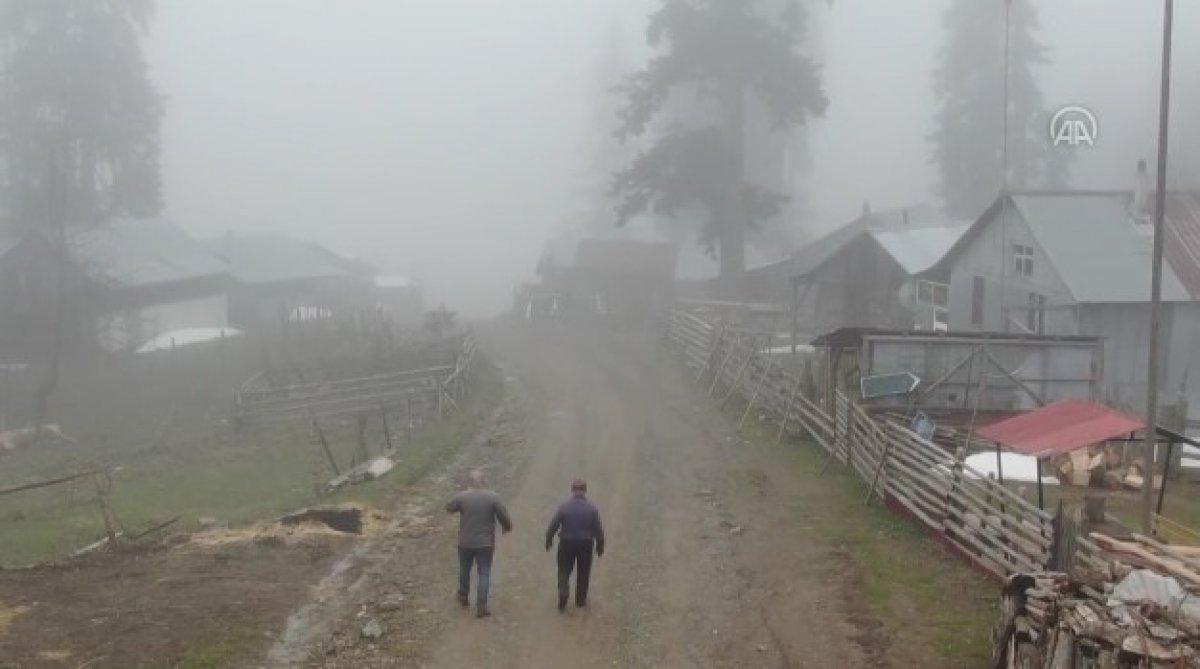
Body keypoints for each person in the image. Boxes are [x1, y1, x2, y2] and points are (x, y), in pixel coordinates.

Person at [445, 469, 512, 618]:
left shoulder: (462, 496)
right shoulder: (493, 497)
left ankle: (463, 596)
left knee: (464, 570)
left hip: (465, 542)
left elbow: (449, 507)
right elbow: (503, 515)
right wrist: (507, 527)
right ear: (484, 481)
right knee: (484, 572)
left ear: (469, 482)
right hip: (485, 543)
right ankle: (481, 605)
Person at [545, 478, 605, 611]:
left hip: (566, 543)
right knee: (583, 572)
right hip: (586, 544)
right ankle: (580, 600)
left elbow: (553, 525)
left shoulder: (564, 507)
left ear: (572, 490)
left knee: (564, 570)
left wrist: (549, 539)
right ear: (585, 490)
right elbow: (598, 529)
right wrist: (600, 545)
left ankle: (563, 591)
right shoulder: (592, 509)